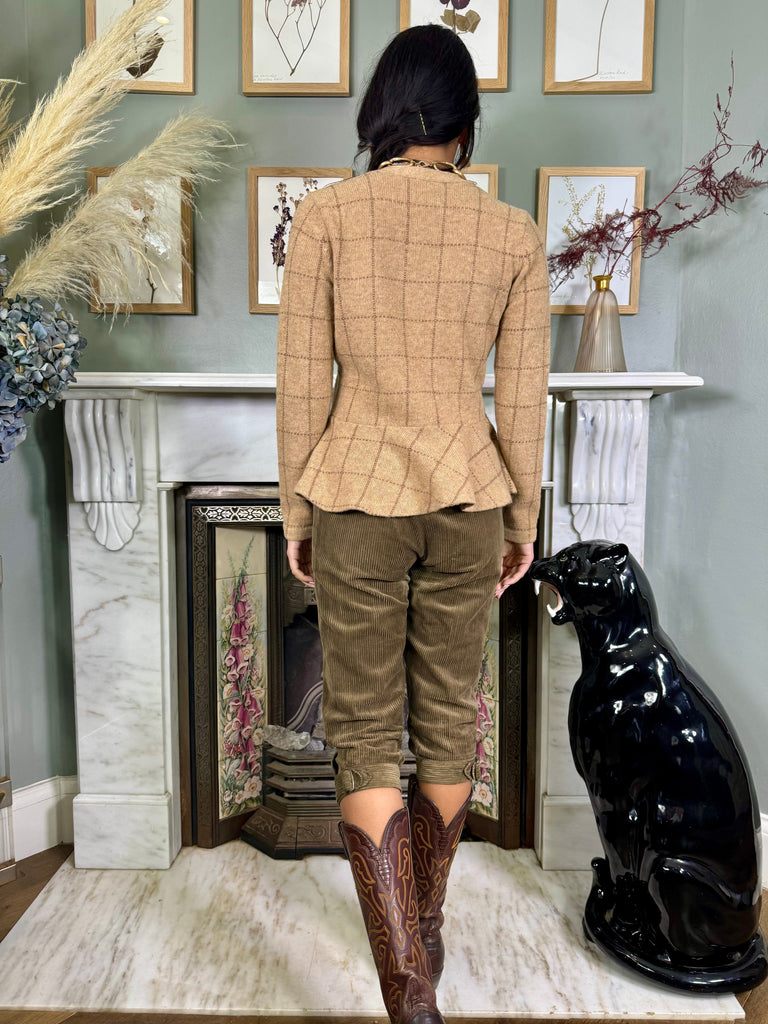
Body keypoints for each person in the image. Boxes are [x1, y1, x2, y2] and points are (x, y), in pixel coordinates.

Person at [275, 23, 551, 1024]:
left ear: (381, 114)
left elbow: (301, 386)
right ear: (465, 128)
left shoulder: (327, 217)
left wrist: (297, 510)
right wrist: (521, 515)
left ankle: (409, 995)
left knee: (360, 736)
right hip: (469, 499)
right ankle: (421, 940)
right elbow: (522, 400)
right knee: (448, 725)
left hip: (355, 498)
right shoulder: (513, 234)